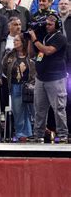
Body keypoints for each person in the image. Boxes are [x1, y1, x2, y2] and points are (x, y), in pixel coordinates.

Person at [28, 14, 68, 143]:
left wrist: (34, 40)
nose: (47, 26)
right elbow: (32, 54)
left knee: (59, 108)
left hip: (56, 78)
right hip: (41, 78)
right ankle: (38, 134)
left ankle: (62, 135)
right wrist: (30, 39)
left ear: (57, 26)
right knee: (39, 109)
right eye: (47, 23)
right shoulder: (43, 37)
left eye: (50, 24)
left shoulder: (60, 38)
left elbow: (48, 51)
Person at [2, 33, 36, 142]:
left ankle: (34, 132)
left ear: (23, 42)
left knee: (32, 110)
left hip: (30, 87)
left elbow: (36, 70)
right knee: (18, 111)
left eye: (17, 40)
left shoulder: (31, 55)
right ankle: (21, 134)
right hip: (15, 85)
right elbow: (4, 68)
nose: (14, 42)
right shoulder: (9, 55)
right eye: (14, 40)